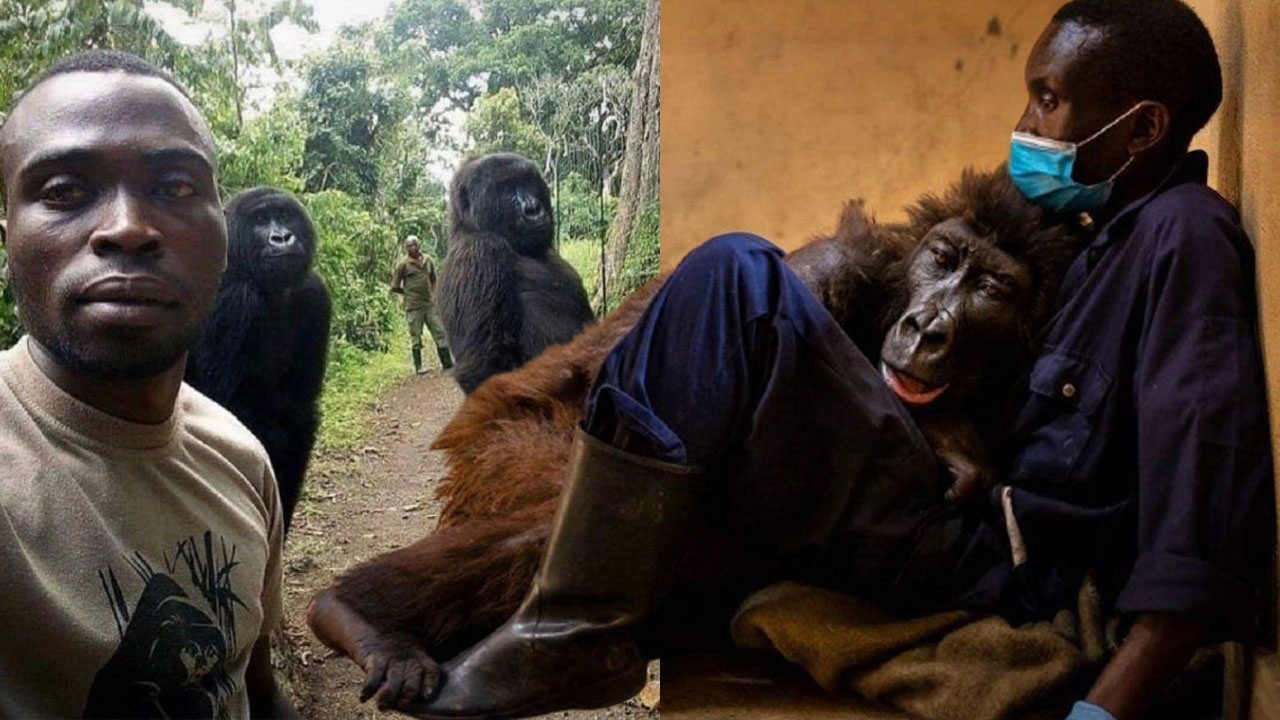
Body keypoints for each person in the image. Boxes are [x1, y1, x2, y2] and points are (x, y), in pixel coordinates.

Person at [322, 1, 1274, 719]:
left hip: (985, 561)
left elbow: (1206, 489)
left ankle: (575, 624)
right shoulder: (1088, 231)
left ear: (1145, 128)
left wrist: (1103, 710)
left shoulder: (1183, 237)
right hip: (939, 511)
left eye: (1051, 99)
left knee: (734, 270)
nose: (1029, 121)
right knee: (737, 315)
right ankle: (509, 611)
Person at [0, 51, 299, 719]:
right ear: (9, 239)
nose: (129, 227)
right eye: (64, 192)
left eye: (177, 187)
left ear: (222, 236)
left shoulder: (241, 460)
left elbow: (256, 689)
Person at [392, 234, 453, 375]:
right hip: (413, 306)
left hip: (429, 304)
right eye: (408, 246)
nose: (411, 248)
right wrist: (407, 293)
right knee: (416, 336)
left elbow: (434, 279)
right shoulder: (403, 265)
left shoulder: (428, 260)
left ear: (419, 245)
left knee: (439, 332)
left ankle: (447, 363)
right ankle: (419, 366)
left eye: (413, 245)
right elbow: (394, 286)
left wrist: (435, 294)